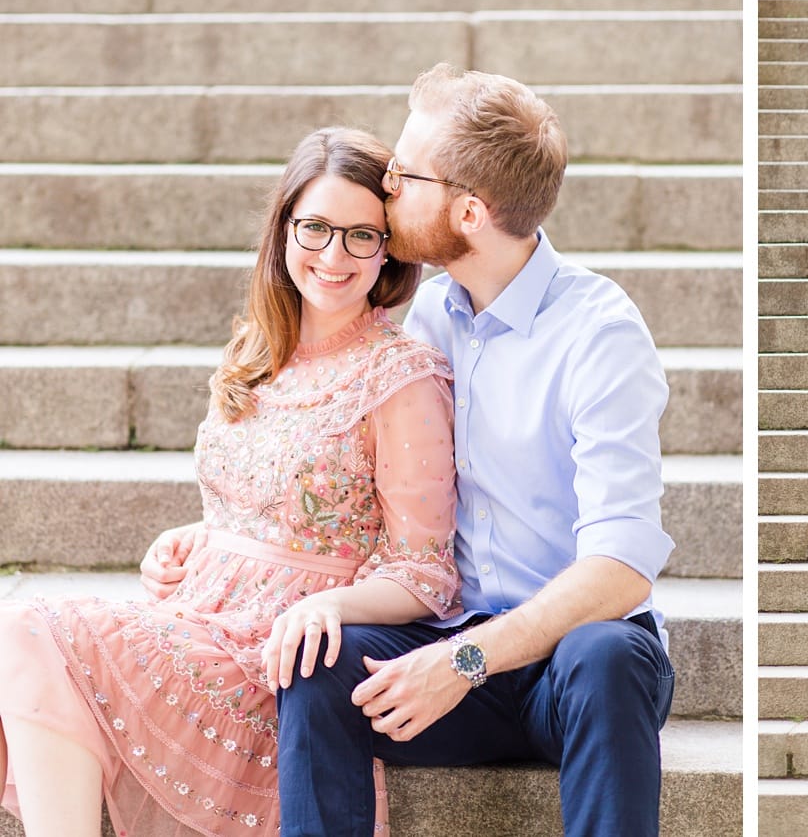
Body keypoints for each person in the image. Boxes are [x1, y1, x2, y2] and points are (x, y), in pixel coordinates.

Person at [0, 127, 460, 835]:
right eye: (315, 228)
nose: (334, 255)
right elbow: (269, 504)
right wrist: (194, 538)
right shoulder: (256, 349)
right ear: (283, 229)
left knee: (30, 626)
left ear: (389, 249)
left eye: (361, 236)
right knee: (27, 641)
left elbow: (425, 572)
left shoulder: (400, 376)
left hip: (276, 651)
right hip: (203, 610)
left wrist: (331, 605)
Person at [273, 64, 676, 837]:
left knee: (607, 658)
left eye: (402, 174)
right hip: (449, 643)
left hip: (569, 669)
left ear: (467, 210)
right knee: (317, 663)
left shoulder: (600, 333)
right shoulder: (428, 318)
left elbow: (622, 568)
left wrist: (464, 662)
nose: (386, 189)